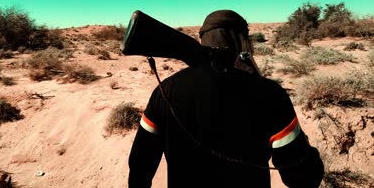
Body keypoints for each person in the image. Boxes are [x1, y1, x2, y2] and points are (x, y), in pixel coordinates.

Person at [128, 10, 324, 188]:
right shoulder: (269, 93)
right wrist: (306, 148)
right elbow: (302, 178)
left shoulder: (165, 90)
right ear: (240, 39)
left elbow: (140, 165)